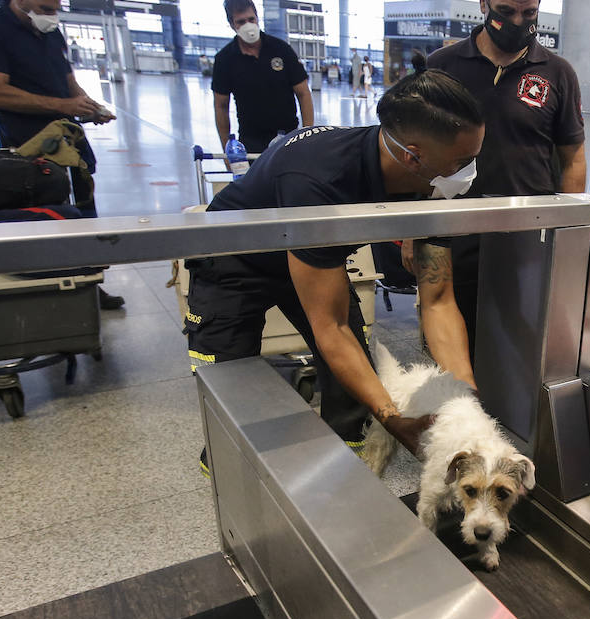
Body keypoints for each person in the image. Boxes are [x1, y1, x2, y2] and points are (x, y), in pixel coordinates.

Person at [184, 70, 481, 464]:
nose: (470, 172)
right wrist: (393, 419)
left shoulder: (433, 185)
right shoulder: (321, 182)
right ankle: (234, 493)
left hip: (314, 259)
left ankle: (345, 477)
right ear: (413, 156)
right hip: (233, 262)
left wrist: (465, 401)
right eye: (465, 161)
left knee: (351, 392)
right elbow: (332, 326)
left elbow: (438, 303)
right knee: (230, 397)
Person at [425, 0, 587, 353]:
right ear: (482, 0)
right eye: (506, 12)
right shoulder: (443, 67)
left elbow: (573, 157)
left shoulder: (557, 74)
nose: (518, 22)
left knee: (519, 354)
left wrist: (568, 236)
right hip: (452, 237)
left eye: (529, 14)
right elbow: (418, 158)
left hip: (528, 243)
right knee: (449, 350)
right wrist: (414, 233)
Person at [0, 0, 123, 309]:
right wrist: (63, 105)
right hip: (28, 143)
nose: (51, 16)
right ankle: (53, 290)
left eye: (55, 8)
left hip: (67, 137)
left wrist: (87, 107)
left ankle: (89, 283)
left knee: (82, 210)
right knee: (44, 215)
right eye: (45, 9)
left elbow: (67, 82)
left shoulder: (51, 34)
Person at [211, 0, 313, 157]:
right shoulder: (225, 59)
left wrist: (307, 135)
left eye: (251, 19)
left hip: (288, 138)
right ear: (232, 24)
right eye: (241, 22)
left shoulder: (281, 49)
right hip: (251, 143)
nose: (248, 25)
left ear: (257, 17)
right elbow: (220, 106)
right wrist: (227, 149)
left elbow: (303, 92)